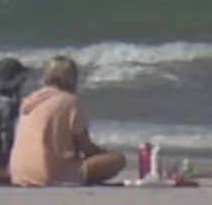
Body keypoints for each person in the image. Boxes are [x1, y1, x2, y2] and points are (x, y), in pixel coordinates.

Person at [8, 55, 127, 187]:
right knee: (117, 160)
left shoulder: (30, 101)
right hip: (48, 174)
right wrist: (106, 153)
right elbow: (86, 147)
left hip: (19, 172)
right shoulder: (69, 102)